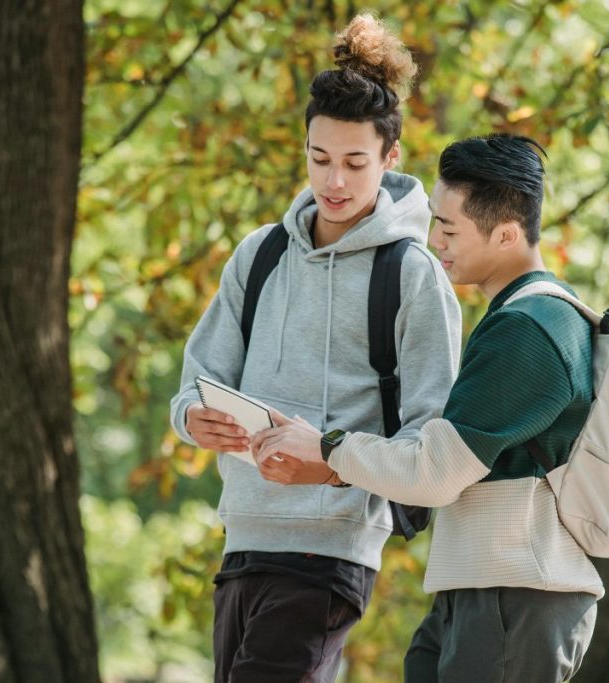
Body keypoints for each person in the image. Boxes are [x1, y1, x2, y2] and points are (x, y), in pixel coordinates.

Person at [168, 15, 461, 683]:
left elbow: (429, 439)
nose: (333, 180)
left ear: (390, 159)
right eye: (319, 157)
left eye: (355, 162)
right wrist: (193, 417)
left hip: (331, 550)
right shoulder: (260, 254)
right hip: (243, 539)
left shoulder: (411, 276)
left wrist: (330, 466)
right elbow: (195, 380)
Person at [252, 133, 601, 683]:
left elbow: (436, 473)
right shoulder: (524, 316)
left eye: (449, 228)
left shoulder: (530, 332)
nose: (433, 238)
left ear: (506, 234)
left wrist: (328, 450)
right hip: (484, 585)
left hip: (517, 595)